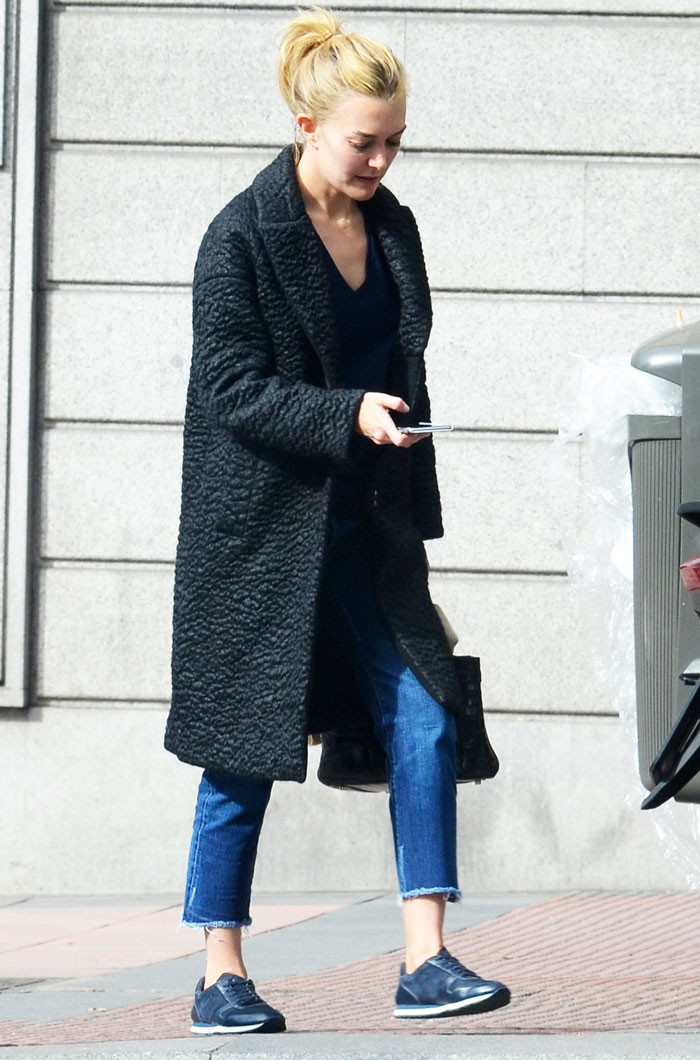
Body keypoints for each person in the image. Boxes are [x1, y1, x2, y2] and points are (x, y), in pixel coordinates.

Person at [165, 6, 510, 1035]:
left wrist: (401, 462)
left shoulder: (392, 226)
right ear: (306, 123)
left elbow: (404, 365)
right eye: (366, 141)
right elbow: (230, 389)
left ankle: (425, 958)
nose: (382, 160)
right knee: (241, 752)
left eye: (395, 140)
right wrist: (345, 413)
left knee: (426, 714)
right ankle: (218, 972)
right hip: (259, 537)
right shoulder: (238, 236)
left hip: (368, 521)